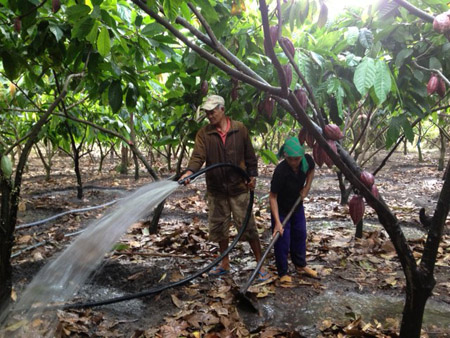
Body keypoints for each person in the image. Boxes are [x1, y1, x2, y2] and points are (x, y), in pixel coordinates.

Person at [179, 95, 268, 280]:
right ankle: (224, 264)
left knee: (248, 226)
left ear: (222, 109)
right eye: (207, 112)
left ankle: (260, 264)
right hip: (217, 189)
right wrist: (189, 172)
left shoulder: (239, 129)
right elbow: (197, 157)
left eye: (212, 111)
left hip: (238, 188)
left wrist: (252, 176)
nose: (209, 115)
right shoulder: (204, 134)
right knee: (220, 228)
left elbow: (250, 155)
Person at [269, 136, 317, 283]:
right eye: (291, 159)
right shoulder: (281, 171)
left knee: (300, 233)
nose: (294, 163)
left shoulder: (307, 161)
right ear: (285, 156)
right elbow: (272, 197)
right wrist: (277, 222)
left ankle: (300, 265)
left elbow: (311, 170)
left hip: (296, 206)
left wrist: (307, 187)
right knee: (282, 238)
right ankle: (283, 272)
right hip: (281, 208)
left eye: (297, 159)